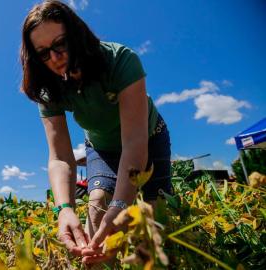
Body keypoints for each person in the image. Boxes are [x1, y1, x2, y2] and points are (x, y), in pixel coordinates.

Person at [20, 0, 172, 266]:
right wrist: (64, 208)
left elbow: (134, 142)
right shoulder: (48, 87)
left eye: (60, 44)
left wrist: (122, 205)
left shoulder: (120, 60)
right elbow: (59, 158)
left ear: (76, 35)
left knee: (153, 218)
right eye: (43, 53)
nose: (55, 59)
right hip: (101, 147)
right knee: (98, 211)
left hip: (147, 138)